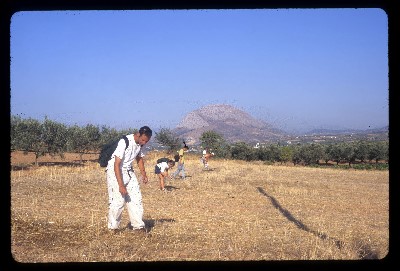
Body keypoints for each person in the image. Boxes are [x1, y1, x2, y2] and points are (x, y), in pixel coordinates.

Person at [105, 126, 152, 234]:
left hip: (129, 171)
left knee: (136, 198)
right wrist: (121, 185)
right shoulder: (125, 141)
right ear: (138, 134)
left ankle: (138, 227)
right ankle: (113, 227)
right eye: (143, 140)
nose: (144, 142)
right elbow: (116, 165)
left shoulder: (141, 144)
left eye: (147, 141)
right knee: (118, 201)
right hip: (115, 170)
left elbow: (139, 158)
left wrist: (143, 174)